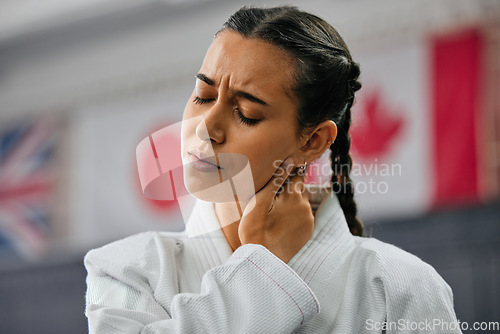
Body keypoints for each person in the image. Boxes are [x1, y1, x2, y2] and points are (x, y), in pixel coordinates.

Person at [84, 6, 461, 333]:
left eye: (246, 113)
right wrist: (263, 265)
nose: (205, 128)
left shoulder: (401, 286)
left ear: (312, 142)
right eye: (203, 95)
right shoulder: (123, 271)